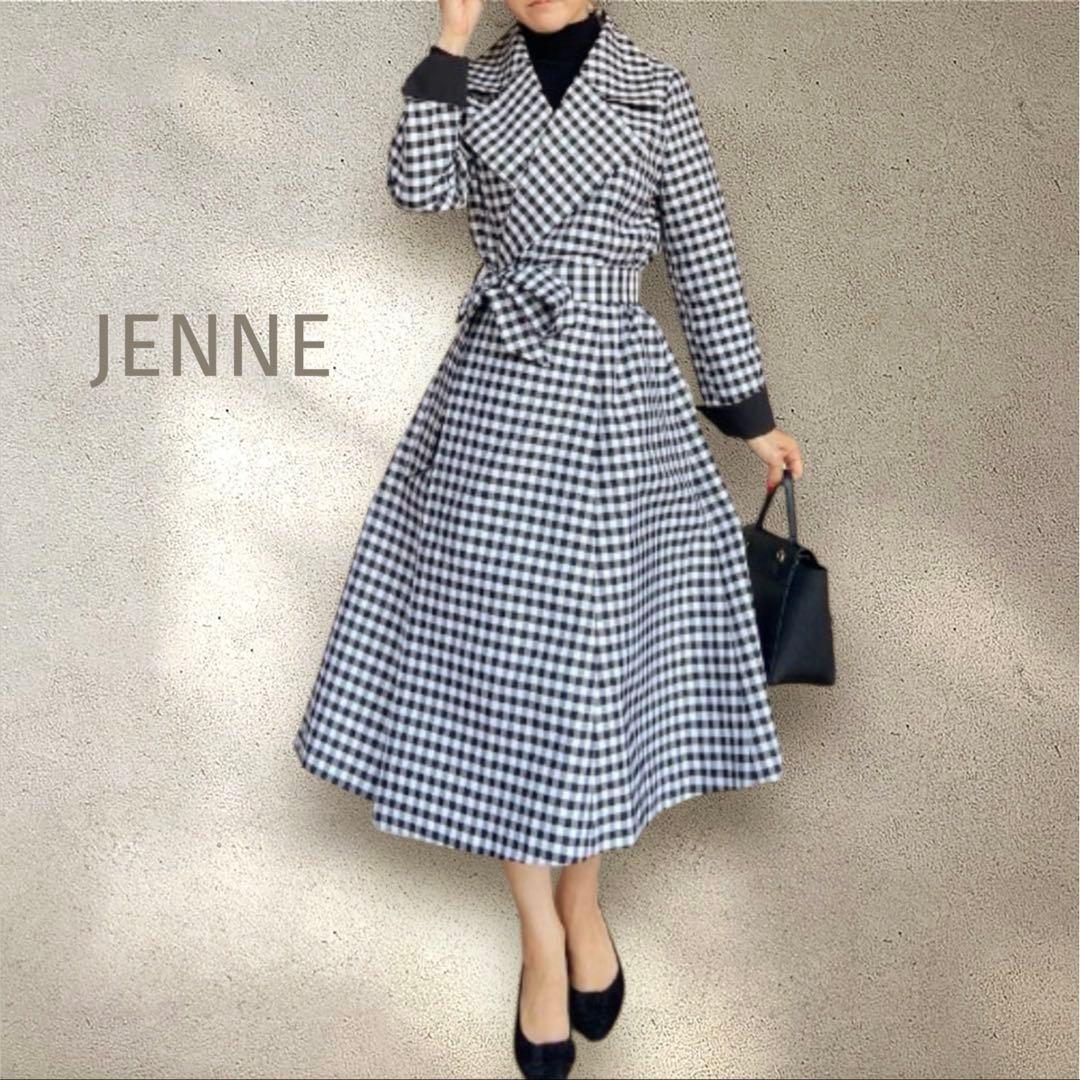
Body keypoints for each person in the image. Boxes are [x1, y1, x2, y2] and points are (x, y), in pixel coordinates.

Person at [293, 1, 804, 1076]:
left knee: (589, 680)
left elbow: (703, 259)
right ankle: (542, 939)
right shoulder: (477, 80)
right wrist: (447, 40)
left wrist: (753, 420)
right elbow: (418, 188)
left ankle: (582, 904)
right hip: (494, 403)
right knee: (507, 677)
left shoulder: (655, 92)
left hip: (616, 410)